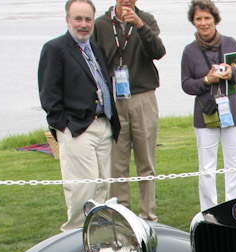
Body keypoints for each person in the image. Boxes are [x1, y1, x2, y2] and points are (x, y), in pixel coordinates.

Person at [39, 0, 121, 232]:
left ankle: (97, 234)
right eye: (78, 19)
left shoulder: (96, 49)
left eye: (88, 19)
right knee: (82, 187)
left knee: (102, 185)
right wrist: (62, 126)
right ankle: (74, 234)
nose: (83, 24)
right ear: (68, 20)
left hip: (103, 125)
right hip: (77, 128)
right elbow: (49, 94)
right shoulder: (55, 49)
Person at [93, 0, 165, 222]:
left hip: (143, 96)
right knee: (117, 163)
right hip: (114, 99)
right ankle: (122, 217)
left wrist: (140, 26)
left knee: (146, 162)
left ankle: (148, 217)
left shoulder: (147, 20)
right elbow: (96, 61)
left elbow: (158, 52)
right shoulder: (101, 25)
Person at [180, 0, 236, 211]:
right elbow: (185, 84)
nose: (203, 23)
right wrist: (206, 81)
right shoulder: (189, 51)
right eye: (198, 19)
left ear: (215, 19)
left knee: (234, 164)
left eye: (207, 18)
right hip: (205, 114)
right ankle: (209, 211)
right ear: (193, 21)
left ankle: (234, 208)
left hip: (232, 113)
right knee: (207, 168)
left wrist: (232, 73)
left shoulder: (231, 44)